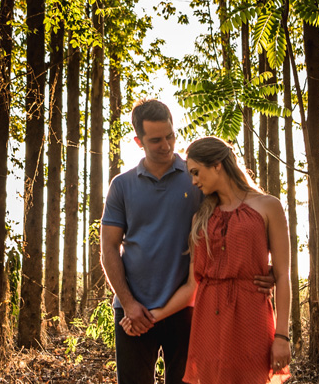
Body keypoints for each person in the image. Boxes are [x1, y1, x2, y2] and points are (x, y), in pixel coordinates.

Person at [101, 102, 273, 384]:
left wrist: (267, 269)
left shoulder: (198, 178)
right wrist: (129, 303)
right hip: (133, 312)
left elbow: (235, 221)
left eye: (170, 136)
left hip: (188, 309)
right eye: (155, 140)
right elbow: (109, 247)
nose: (166, 145)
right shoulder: (122, 185)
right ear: (138, 141)